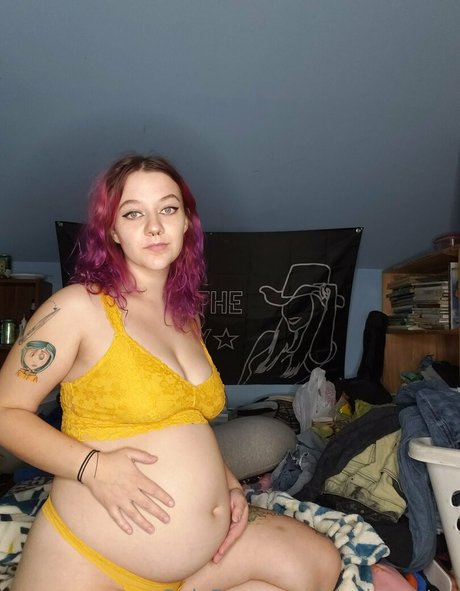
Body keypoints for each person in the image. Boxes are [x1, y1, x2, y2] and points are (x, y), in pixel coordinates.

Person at [0, 154, 341, 591]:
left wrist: (228, 484)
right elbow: (6, 412)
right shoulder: (77, 306)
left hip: (197, 561)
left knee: (319, 563)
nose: (154, 227)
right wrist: (92, 468)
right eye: (133, 213)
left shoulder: (185, 317)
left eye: (168, 208)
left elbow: (186, 421)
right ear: (112, 230)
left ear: (186, 223)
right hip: (90, 559)